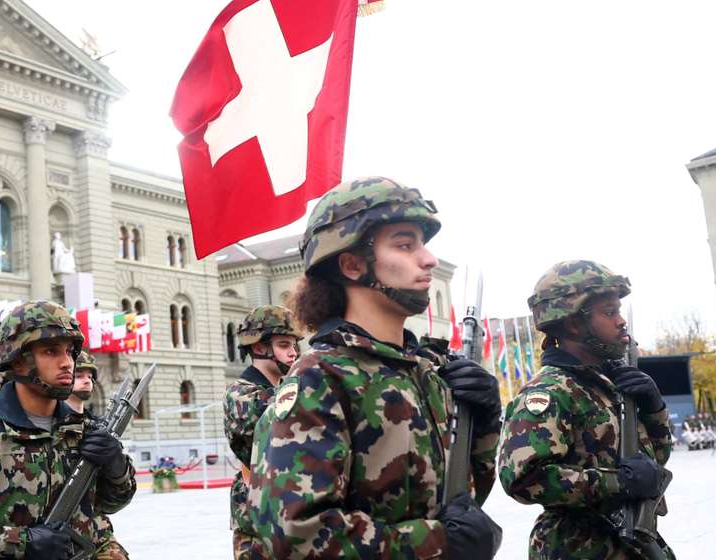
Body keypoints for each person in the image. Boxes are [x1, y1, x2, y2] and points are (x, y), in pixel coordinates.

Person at [248, 177, 503, 560]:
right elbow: (297, 537)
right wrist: (438, 544)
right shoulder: (320, 378)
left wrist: (482, 423)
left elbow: (457, 502)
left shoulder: (425, 375)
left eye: (423, 244)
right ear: (352, 265)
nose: (428, 259)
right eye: (404, 244)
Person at [0, 301, 137, 559]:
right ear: (17, 360)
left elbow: (110, 503)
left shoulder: (85, 427)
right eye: (51, 351)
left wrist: (117, 467)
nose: (67, 363)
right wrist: (20, 544)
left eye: (70, 351)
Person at [499, 260, 675, 559]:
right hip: (576, 548)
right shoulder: (551, 391)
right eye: (609, 312)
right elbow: (523, 479)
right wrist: (618, 483)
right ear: (573, 323)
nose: (621, 321)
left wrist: (653, 408)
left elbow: (652, 462)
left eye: (619, 311)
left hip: (631, 543)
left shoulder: (609, 386)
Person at [224, 304, 301, 558]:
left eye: (294, 346)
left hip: (291, 514)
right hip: (257, 522)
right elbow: (277, 413)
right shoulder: (240, 393)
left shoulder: (289, 385)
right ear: (259, 347)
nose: (293, 354)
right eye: (284, 345)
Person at [63, 349, 129, 558]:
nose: (87, 381)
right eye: (79, 375)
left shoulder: (99, 428)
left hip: (94, 534)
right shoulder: (49, 426)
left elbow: (114, 502)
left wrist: (118, 467)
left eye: (90, 376)